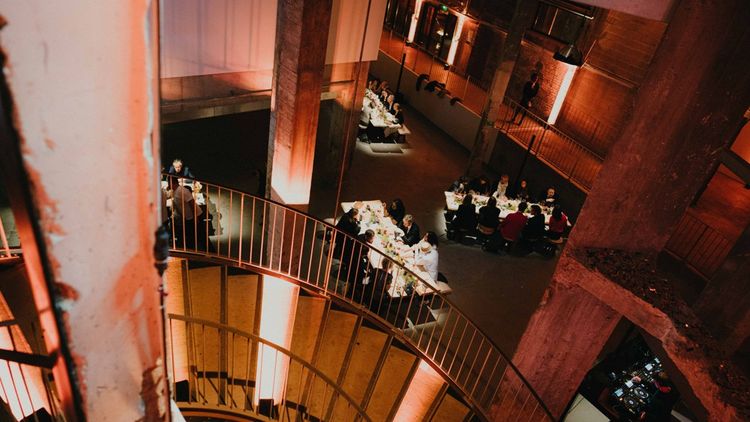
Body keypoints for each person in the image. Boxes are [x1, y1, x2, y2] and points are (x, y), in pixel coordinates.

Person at [172, 178, 203, 249]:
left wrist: (195, 218)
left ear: (172, 183)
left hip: (195, 216)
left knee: (201, 237)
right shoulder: (176, 191)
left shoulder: (182, 191)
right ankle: (193, 253)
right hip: (189, 217)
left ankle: (211, 254)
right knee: (191, 237)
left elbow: (192, 203)